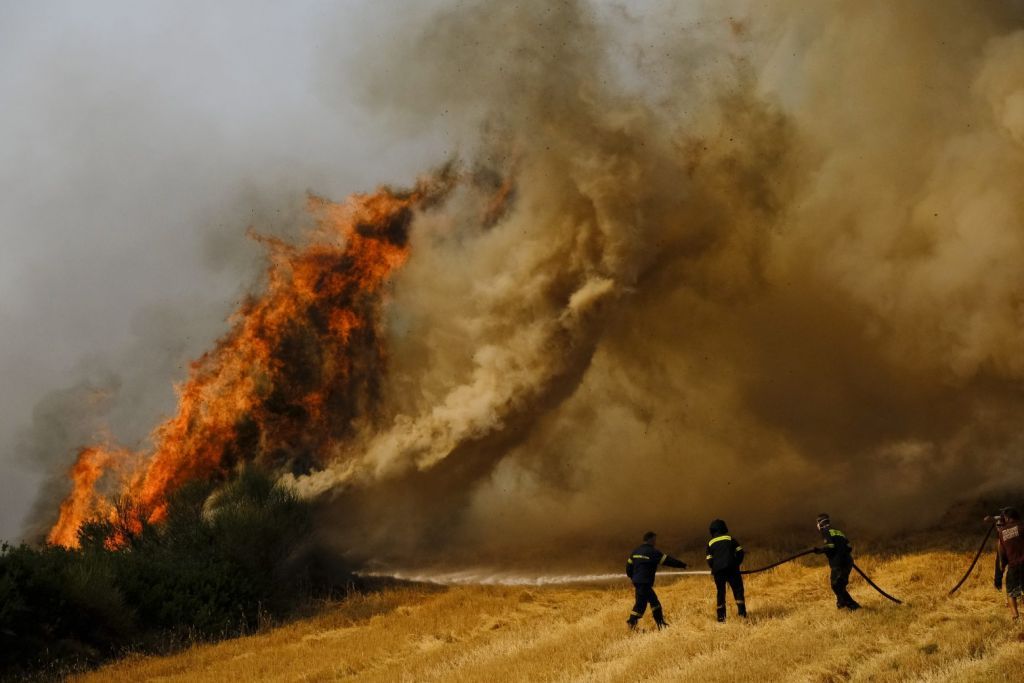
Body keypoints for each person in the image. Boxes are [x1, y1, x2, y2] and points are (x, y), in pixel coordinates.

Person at [625, 531, 687, 630]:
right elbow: (668, 561)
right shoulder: (653, 552)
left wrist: (633, 577)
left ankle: (659, 624)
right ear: (650, 539)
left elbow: (628, 567)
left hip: (638, 582)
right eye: (654, 539)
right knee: (643, 604)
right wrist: (683, 565)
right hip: (644, 582)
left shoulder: (636, 551)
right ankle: (632, 622)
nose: (655, 542)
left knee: (651, 602)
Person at [812, 513, 860, 610]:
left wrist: (820, 550)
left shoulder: (825, 531)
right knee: (840, 585)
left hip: (838, 563)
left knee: (836, 586)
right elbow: (849, 547)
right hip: (848, 562)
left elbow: (830, 546)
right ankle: (841, 603)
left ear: (820, 524)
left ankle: (854, 606)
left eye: (817, 523)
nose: (817, 526)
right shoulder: (838, 531)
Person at [706, 519, 746, 622]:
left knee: (721, 592)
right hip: (732, 569)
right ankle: (742, 614)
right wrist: (736, 564)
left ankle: (721, 618)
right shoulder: (730, 539)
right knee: (738, 590)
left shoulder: (710, 543)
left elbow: (709, 559)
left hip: (718, 572)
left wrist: (714, 567)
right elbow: (740, 552)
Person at [994, 507, 1024, 621]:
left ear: (1006, 518)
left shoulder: (1002, 532)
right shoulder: (1022, 527)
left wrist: (1002, 563)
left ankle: (1015, 615)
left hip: (1013, 565)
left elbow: (1000, 549)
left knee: (1011, 592)